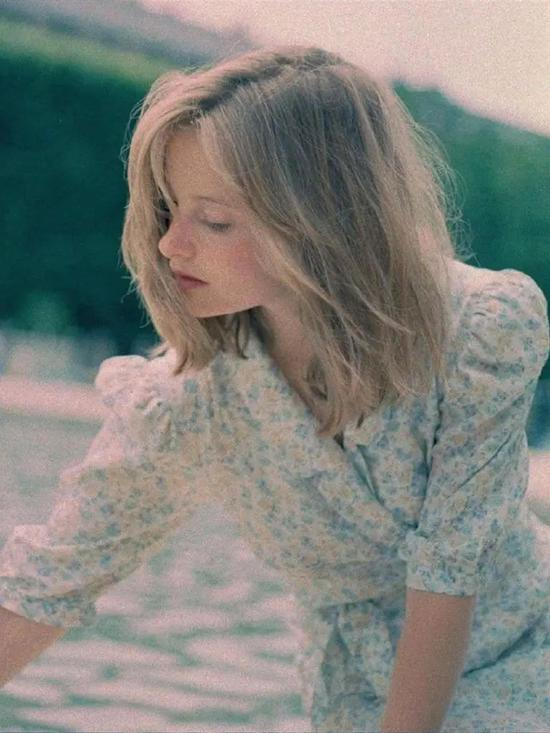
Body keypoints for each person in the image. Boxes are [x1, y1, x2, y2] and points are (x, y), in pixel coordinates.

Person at [1, 44, 549, 733]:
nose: (170, 245)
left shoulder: (479, 328)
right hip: (354, 696)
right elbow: (54, 575)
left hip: (526, 661)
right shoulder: (191, 399)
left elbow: (449, 569)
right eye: (169, 209)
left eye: (214, 220)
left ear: (321, 218)